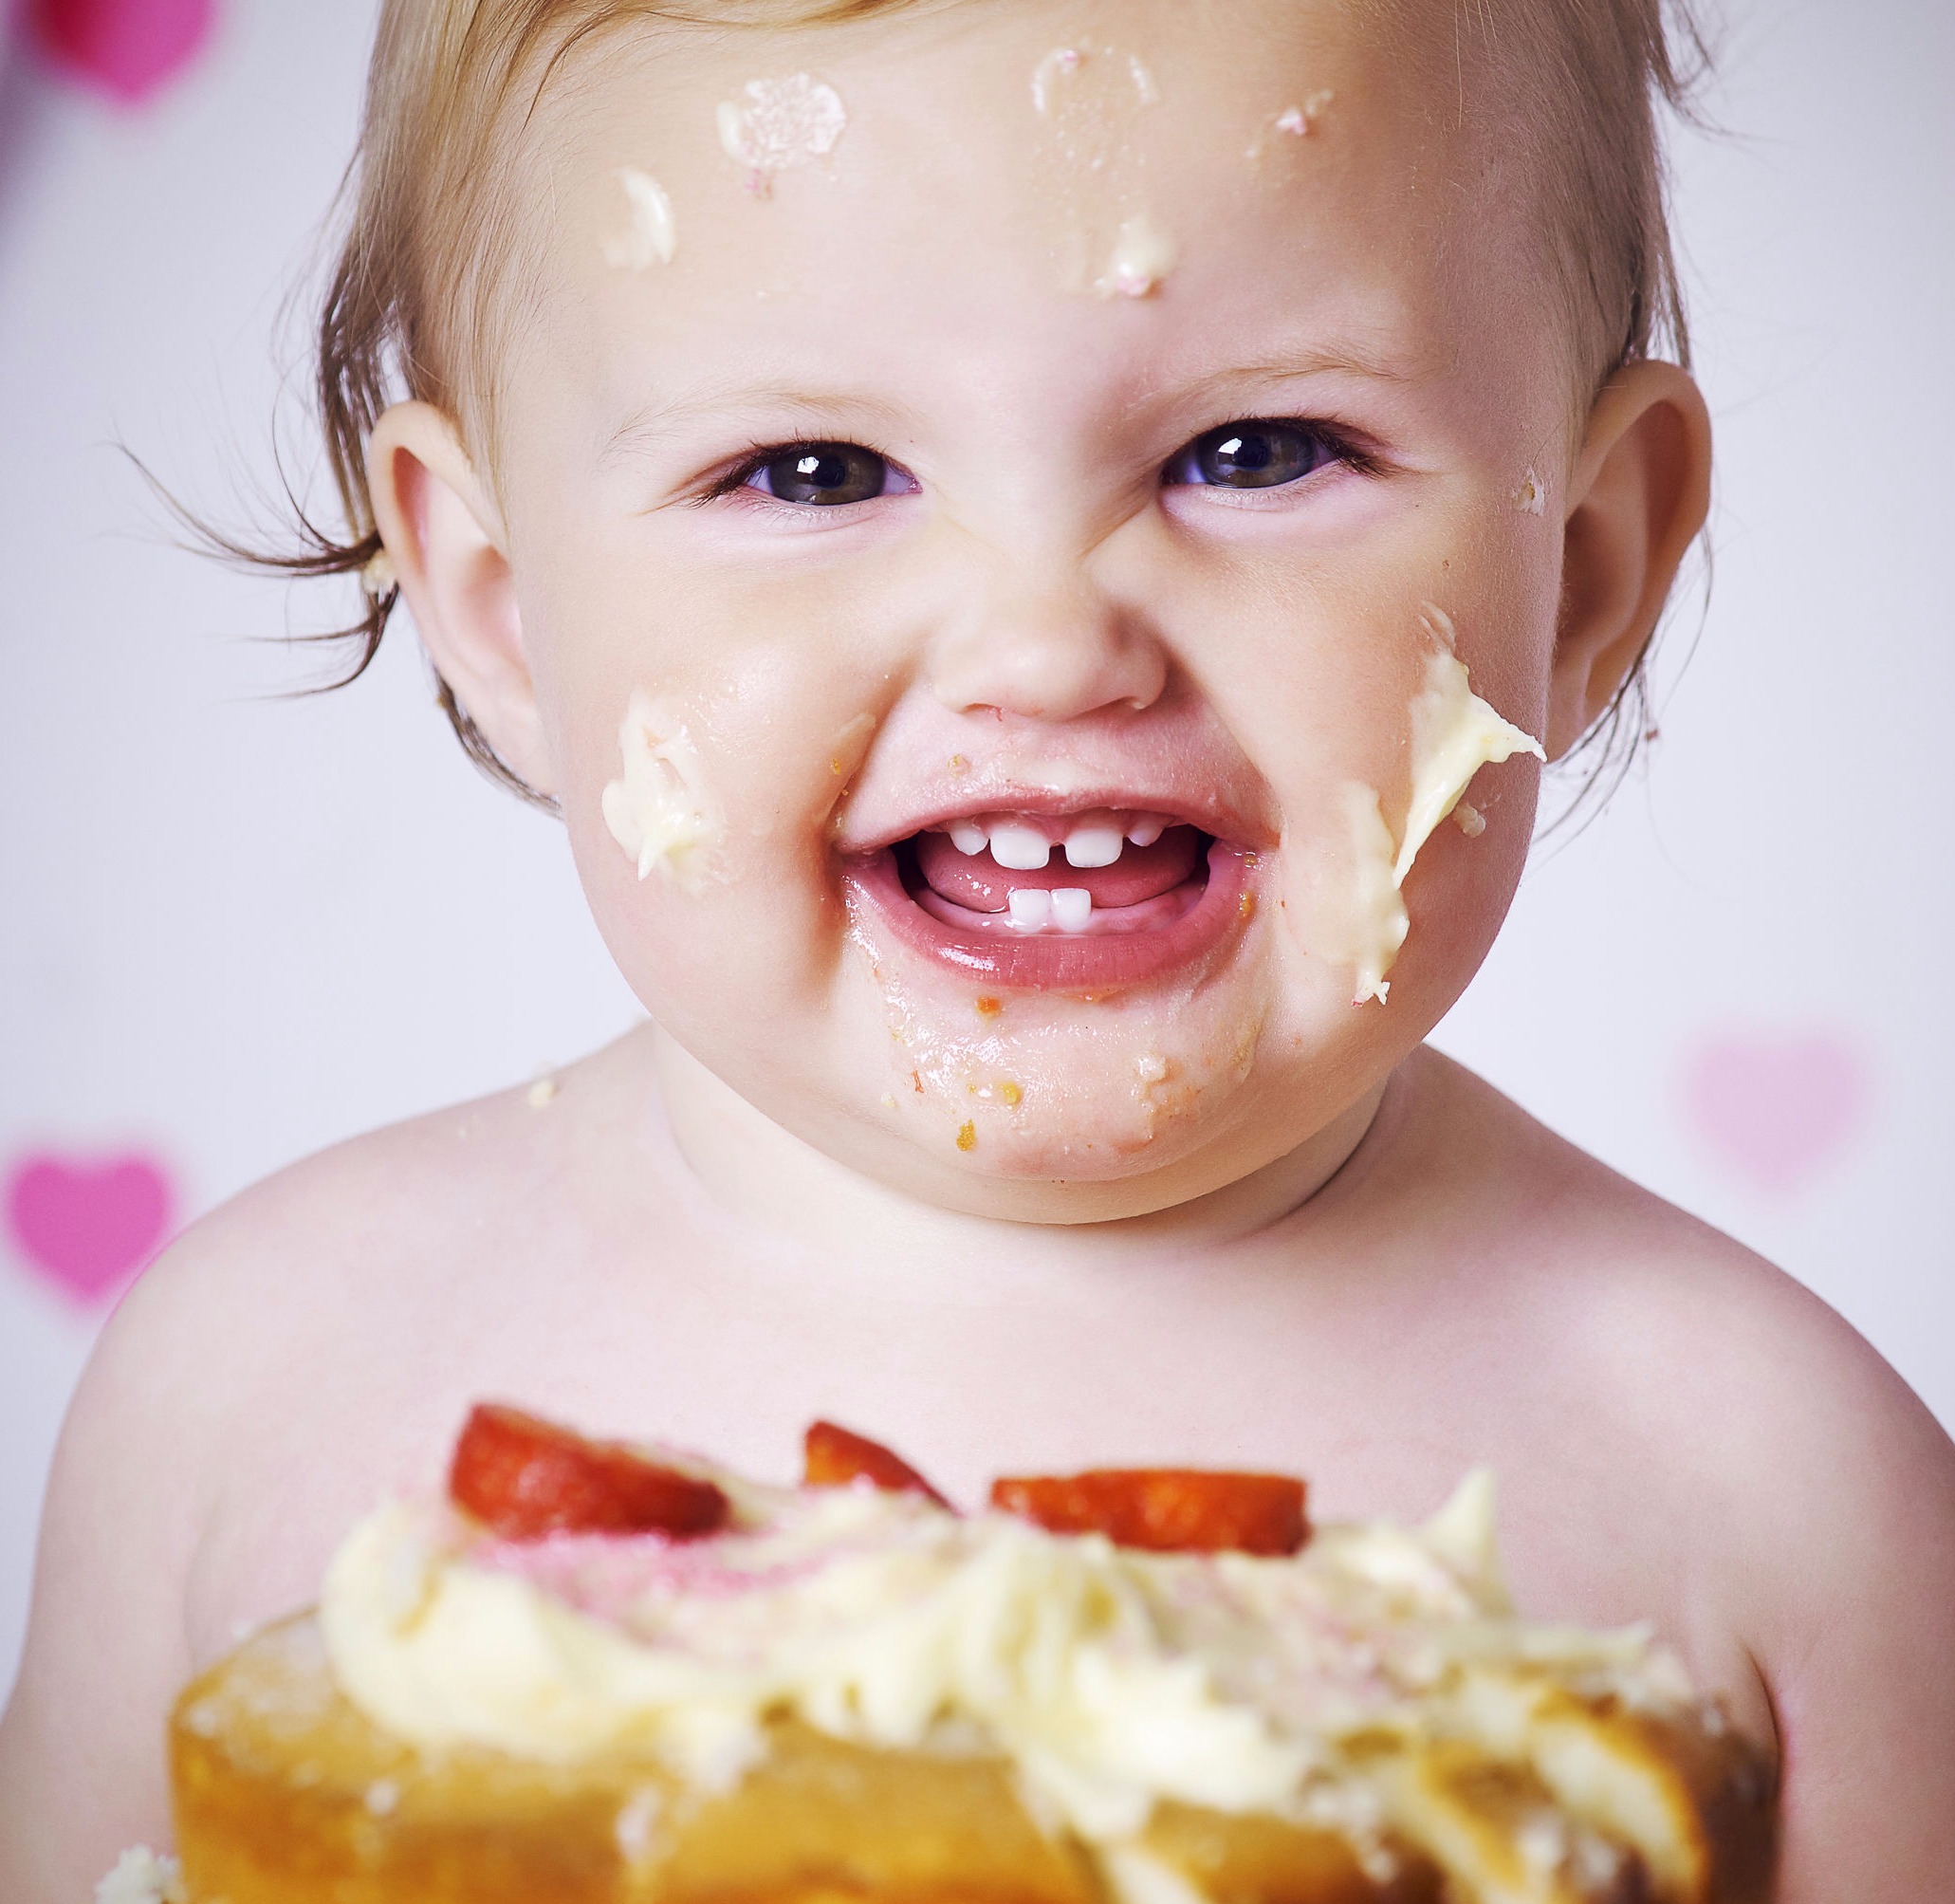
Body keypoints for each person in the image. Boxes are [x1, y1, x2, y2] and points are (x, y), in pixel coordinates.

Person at [4, 1, 1951, 1896]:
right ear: (505, 610)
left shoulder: (1776, 1509)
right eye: (813, 473)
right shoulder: (254, 1394)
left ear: (1583, 561)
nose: (1044, 641)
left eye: (1259, 450)